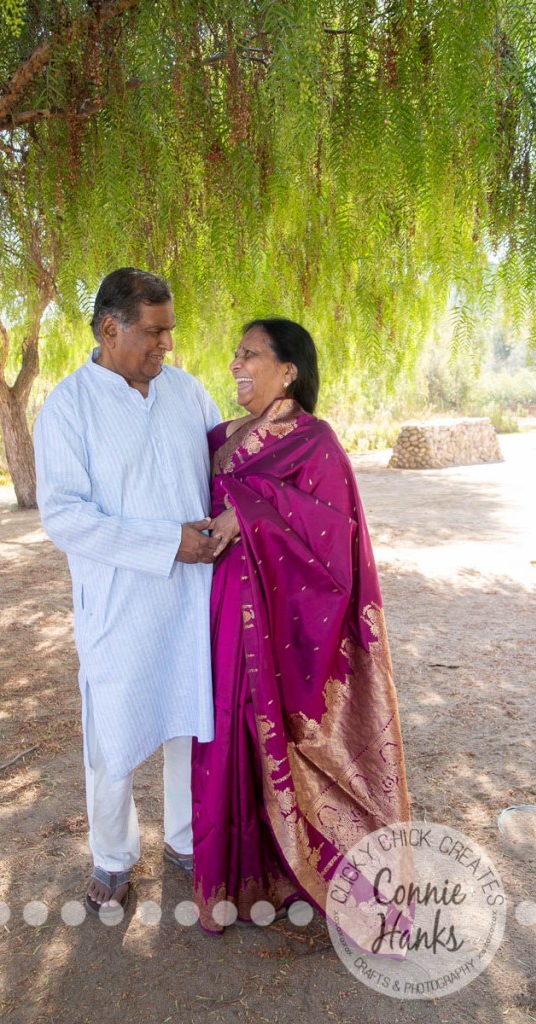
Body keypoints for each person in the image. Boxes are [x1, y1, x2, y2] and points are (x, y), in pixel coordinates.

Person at [192, 318, 410, 933]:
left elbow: (333, 535)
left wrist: (248, 512)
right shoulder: (222, 435)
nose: (235, 363)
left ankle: (295, 875)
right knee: (223, 736)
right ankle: (237, 876)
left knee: (277, 736)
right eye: (234, 352)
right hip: (217, 613)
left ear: (288, 370)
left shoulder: (314, 440)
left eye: (250, 354)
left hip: (276, 621)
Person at [34, 268, 220, 915]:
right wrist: (166, 542)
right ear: (111, 329)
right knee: (111, 734)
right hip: (117, 604)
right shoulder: (66, 408)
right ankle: (112, 856)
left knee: (188, 721)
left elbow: (226, 473)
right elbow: (65, 516)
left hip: (191, 597)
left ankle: (185, 839)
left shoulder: (189, 394)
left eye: (169, 331)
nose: (166, 345)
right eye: (154, 332)